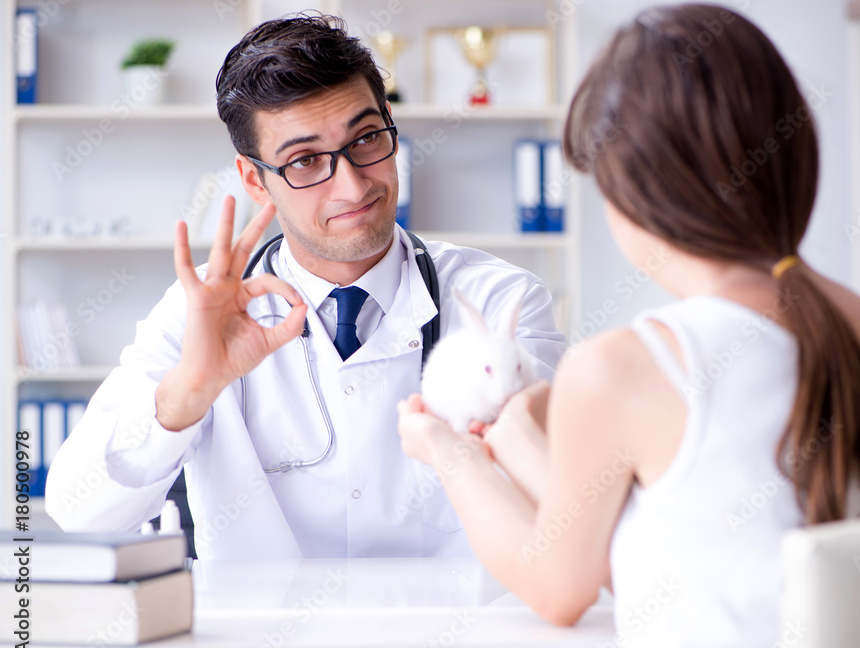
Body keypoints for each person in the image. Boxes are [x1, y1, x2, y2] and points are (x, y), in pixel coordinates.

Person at [397, 4, 860, 648]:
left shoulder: (627, 365)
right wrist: (519, 441)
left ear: (636, 193)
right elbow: (685, 563)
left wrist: (450, 455)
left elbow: (557, 590)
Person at [45, 14, 567, 559]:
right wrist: (189, 391)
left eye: (366, 138)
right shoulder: (202, 309)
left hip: (456, 637)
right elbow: (76, 510)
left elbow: (562, 497)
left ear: (391, 124)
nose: (353, 184)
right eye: (305, 161)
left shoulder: (498, 299)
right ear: (254, 180)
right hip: (260, 642)